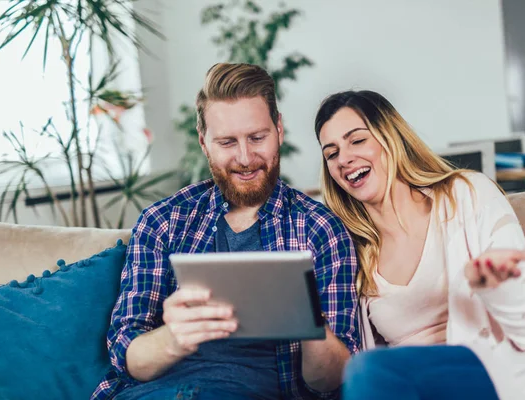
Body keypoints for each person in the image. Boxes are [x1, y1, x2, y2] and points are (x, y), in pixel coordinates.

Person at [92, 63, 360, 400]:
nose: (245, 158)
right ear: (204, 142)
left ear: (279, 129)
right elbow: (126, 356)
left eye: (257, 137)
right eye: (227, 142)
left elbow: (334, 379)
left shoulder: (320, 230)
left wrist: (308, 323)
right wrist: (174, 338)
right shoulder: (162, 222)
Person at [313, 90, 525, 400]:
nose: (344, 159)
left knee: (367, 371)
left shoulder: (468, 194)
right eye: (331, 153)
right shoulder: (350, 247)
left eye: (357, 140)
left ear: (391, 137)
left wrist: (500, 290)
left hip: (497, 376)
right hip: (412, 387)